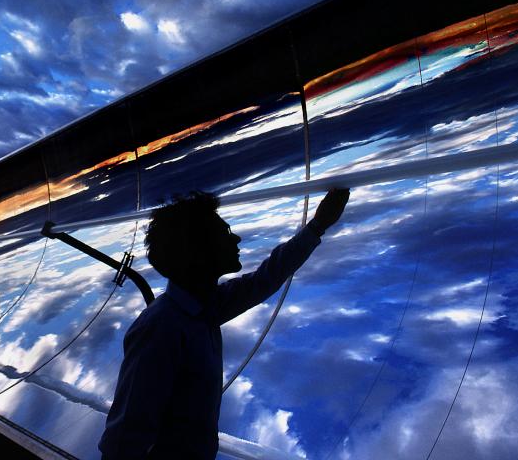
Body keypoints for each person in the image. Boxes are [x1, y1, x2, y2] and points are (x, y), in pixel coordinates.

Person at [98, 188, 350, 459]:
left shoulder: (204, 306)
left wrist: (317, 226)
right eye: (226, 233)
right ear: (199, 251)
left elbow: (264, 279)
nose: (237, 238)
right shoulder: (161, 328)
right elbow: (124, 439)